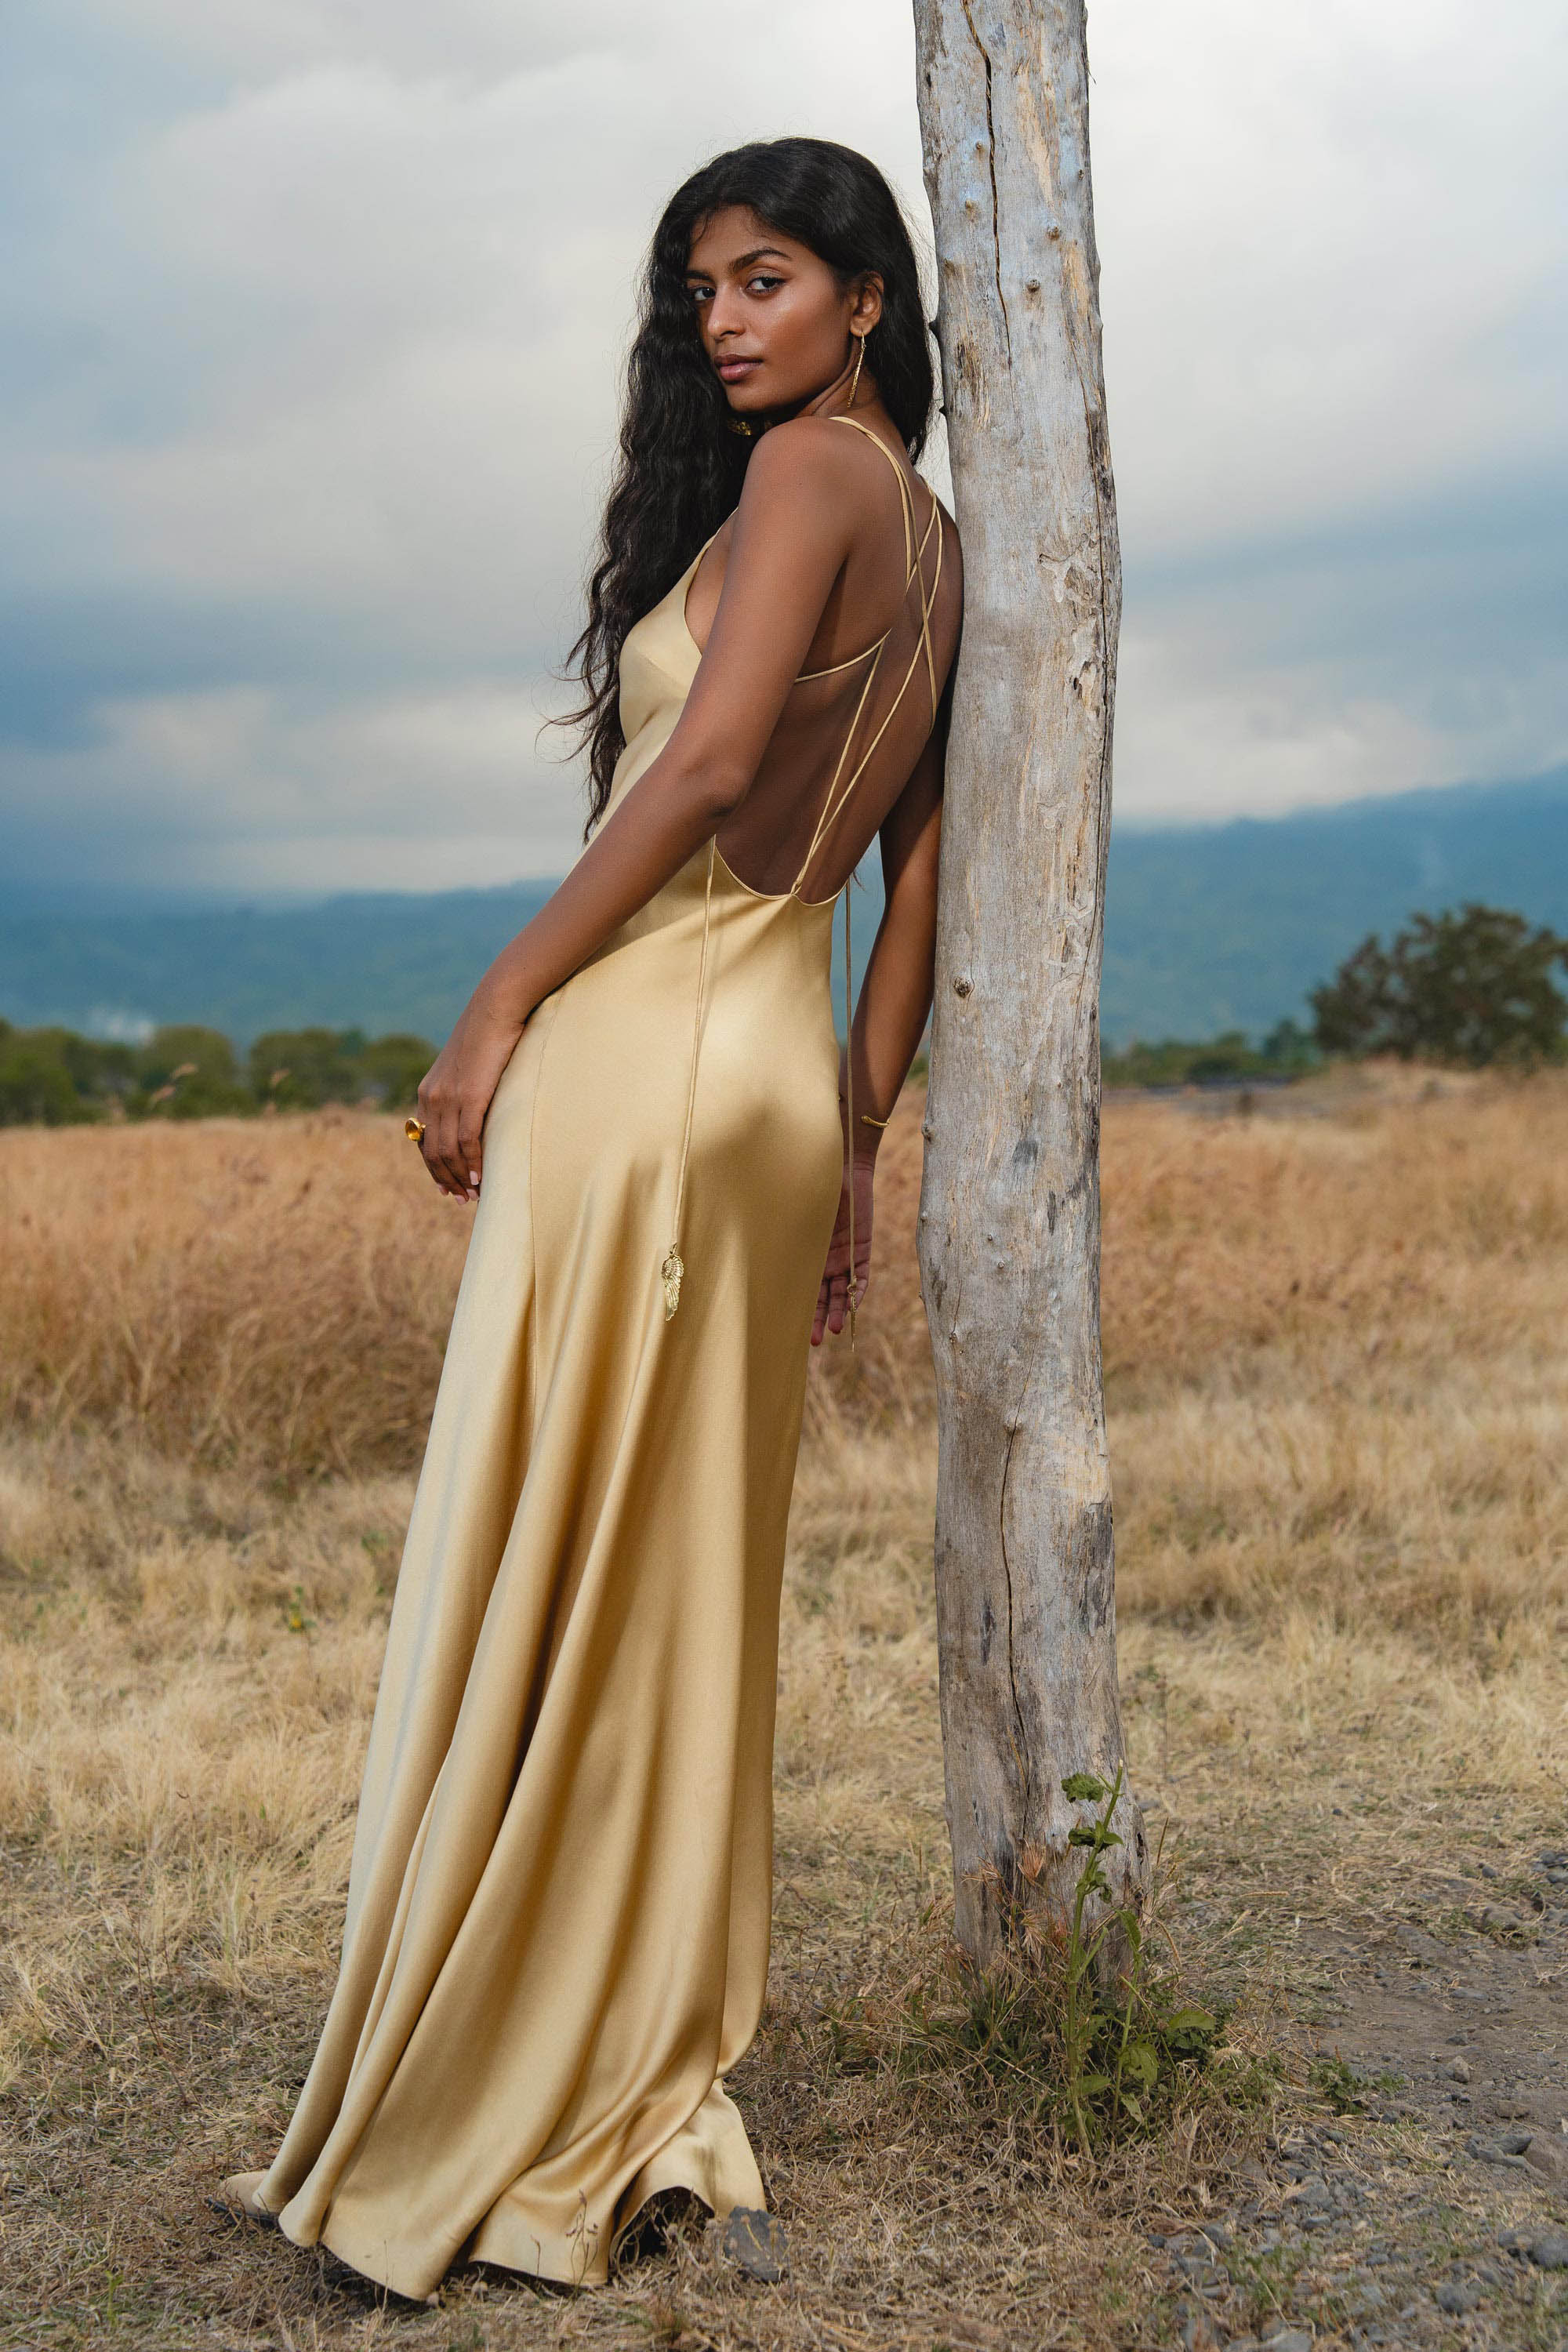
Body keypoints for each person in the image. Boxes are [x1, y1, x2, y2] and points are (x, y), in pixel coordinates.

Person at [220, 134, 963, 2300]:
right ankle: (623, 2043)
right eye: (700, 291)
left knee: (559, 1545)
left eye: (765, 279)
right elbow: (918, 876)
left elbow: (719, 764)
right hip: (769, 1076)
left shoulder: (814, 483)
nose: (725, 321)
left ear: (866, 306)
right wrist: (852, 1132)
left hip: (650, 1049)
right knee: (669, 1574)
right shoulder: (941, 539)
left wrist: (502, 990)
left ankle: (497, 2074)